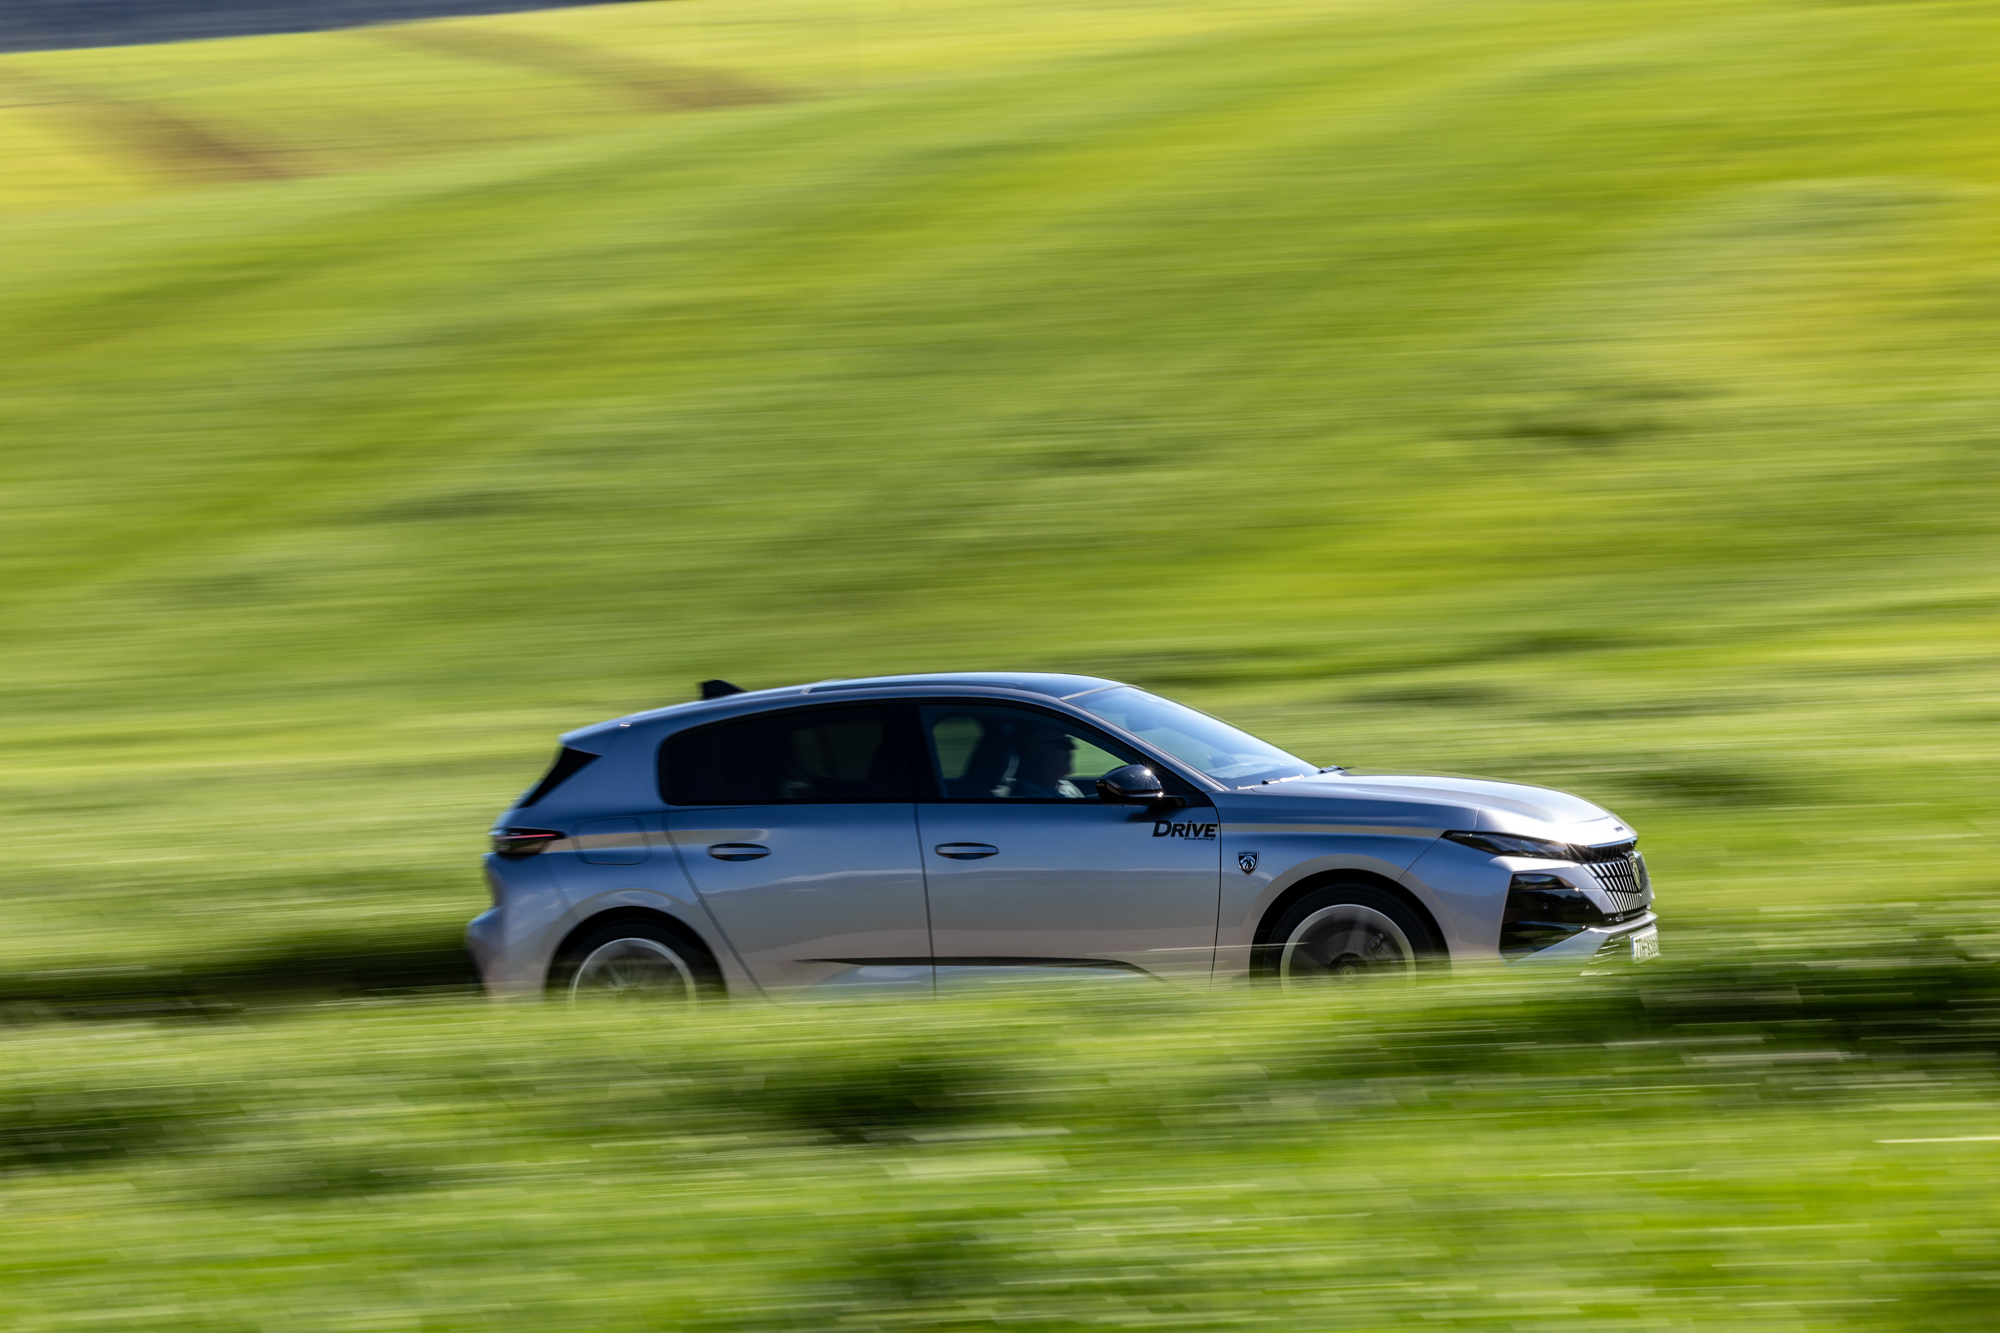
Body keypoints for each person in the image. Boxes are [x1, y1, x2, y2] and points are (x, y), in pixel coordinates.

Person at [1005, 723, 1085, 799]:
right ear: (1034, 751)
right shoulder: (1029, 800)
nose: (1072, 747)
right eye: (1063, 743)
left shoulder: (1065, 786)